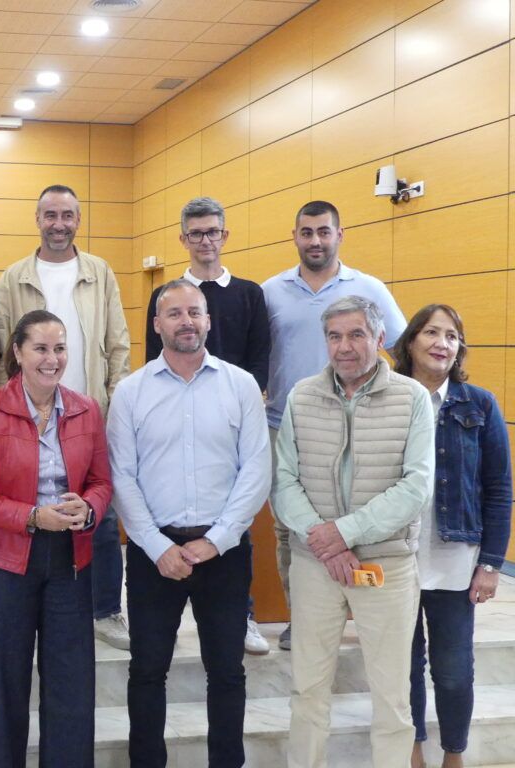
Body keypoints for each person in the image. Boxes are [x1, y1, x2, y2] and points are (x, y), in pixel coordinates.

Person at [109, 279, 270, 768]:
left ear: (208, 321)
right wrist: (156, 546)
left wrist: (217, 540)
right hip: (153, 552)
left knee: (227, 672)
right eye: (175, 313)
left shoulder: (240, 386)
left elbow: (256, 470)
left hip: (225, 552)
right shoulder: (131, 392)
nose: (186, 322)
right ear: (157, 324)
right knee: (147, 671)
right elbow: (121, 475)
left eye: (194, 312)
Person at [272, 295, 434, 768]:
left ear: (380, 338)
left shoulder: (412, 397)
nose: (344, 346)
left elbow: (416, 486)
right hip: (315, 563)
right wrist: (325, 541)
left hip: (386, 564)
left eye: (356, 334)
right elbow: (283, 481)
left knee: (392, 695)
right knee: (308, 689)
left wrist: (344, 533)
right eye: (334, 336)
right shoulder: (302, 396)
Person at [0, 309, 113, 767]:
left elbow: (102, 482)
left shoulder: (86, 408)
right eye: (41, 348)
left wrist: (88, 508)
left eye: (60, 348)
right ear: (18, 353)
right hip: (6, 562)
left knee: (71, 684)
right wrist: (31, 517)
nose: (52, 358)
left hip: (71, 560)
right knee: (6, 682)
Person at [0, 184, 132, 650]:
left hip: (88, 412)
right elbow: (2, 345)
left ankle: (106, 609)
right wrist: (8, 410)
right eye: (50, 215)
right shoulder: (14, 277)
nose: (59, 223)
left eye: (67, 215)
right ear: (38, 219)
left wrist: (114, 403)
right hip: (27, 414)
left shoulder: (99, 272)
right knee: (32, 507)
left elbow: (118, 343)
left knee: (100, 512)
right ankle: (32, 601)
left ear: (78, 219)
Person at [262, 200, 407, 650]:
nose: (315, 241)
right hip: (286, 426)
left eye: (324, 231)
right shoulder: (270, 292)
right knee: (291, 529)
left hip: (362, 425)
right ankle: (302, 619)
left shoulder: (369, 288)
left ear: (339, 235)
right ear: (294, 236)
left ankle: (364, 617)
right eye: (306, 232)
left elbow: (403, 351)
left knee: (360, 525)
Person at [143, 196, 271, 655]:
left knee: (235, 515)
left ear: (224, 235)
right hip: (176, 416)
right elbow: (152, 360)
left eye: (212, 231)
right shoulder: (167, 295)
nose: (205, 241)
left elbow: (260, 357)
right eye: (195, 233)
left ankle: (243, 615)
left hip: (232, 419)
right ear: (183, 239)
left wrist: (240, 404)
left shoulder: (249, 293)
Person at [392, 305, 512, 768]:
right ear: (410, 342)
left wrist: (491, 564)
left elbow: (499, 489)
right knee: (402, 666)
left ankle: (453, 754)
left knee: (454, 671)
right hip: (394, 558)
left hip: (455, 560)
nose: (442, 343)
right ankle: (413, 750)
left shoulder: (479, 404)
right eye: (431, 332)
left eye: (451, 335)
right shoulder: (387, 398)